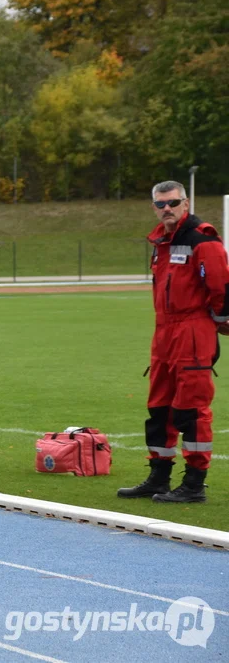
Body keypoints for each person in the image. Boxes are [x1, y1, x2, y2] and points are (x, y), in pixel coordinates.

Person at [117, 180, 229, 504]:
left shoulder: (200, 238)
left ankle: (194, 484)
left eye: (173, 202)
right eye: (161, 204)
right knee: (159, 408)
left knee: (191, 409)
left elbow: (221, 285)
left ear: (186, 203)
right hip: (164, 332)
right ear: (154, 207)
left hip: (192, 330)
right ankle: (159, 477)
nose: (167, 208)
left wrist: (221, 320)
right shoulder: (162, 241)